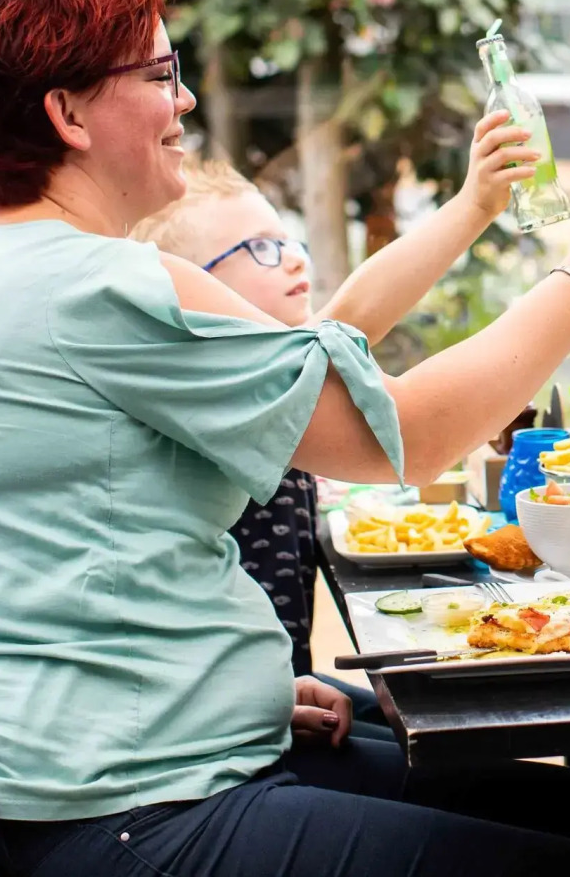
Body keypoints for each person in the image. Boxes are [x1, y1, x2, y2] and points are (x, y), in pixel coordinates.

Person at [0, 0, 570, 875]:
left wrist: (242, 684)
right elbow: (403, 436)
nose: (184, 102)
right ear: (67, 114)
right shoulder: (100, 286)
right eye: (159, 75)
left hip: (81, 768)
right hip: (128, 808)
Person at [130, 134, 526, 698]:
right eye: (261, 249)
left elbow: (353, 314)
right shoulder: (219, 394)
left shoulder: (272, 380)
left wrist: (474, 206)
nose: (295, 257)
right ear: (198, 292)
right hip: (229, 705)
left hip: (274, 690)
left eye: (289, 240)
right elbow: (413, 433)